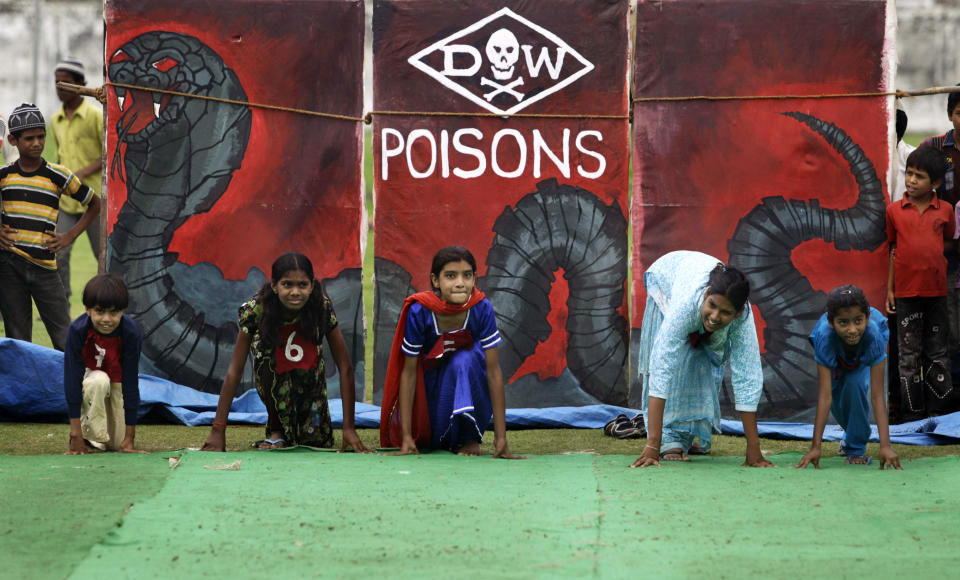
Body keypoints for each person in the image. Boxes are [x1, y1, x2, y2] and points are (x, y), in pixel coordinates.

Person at [201, 253, 369, 452]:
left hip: (309, 379)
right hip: (273, 374)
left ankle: (308, 424)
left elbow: (345, 367)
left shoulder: (321, 307)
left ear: (312, 285)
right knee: (267, 359)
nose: (295, 292)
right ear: (274, 286)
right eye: (287, 284)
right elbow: (234, 371)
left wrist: (349, 429)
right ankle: (276, 428)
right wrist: (218, 430)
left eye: (302, 285)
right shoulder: (257, 309)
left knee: (315, 442)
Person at [380, 246, 526, 459]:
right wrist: (407, 436)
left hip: (470, 387)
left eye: (467, 275)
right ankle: (435, 435)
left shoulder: (481, 308)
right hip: (431, 396)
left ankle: (469, 437)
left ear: (475, 278)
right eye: (450, 276)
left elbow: (493, 372)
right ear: (435, 280)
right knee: (433, 436)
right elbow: (409, 372)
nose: (460, 283)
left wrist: (501, 438)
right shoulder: (420, 311)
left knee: (465, 358)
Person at [630, 250, 772, 468]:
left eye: (725, 312)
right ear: (706, 295)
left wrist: (754, 449)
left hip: (692, 281)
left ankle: (688, 433)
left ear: (738, 312)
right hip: (669, 278)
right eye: (712, 306)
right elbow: (661, 366)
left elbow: (748, 374)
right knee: (679, 362)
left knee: (702, 359)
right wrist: (652, 446)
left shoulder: (743, 318)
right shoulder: (685, 307)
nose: (715, 317)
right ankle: (669, 439)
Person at [0, 103, 101, 350]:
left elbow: (95, 203)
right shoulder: (3, 176)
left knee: (63, 337)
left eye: (41, 136)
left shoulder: (58, 175)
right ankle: (23, 388)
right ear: (13, 140)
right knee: (18, 339)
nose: (36, 143)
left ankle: (69, 386)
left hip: (45, 268)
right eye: (29, 138)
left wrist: (69, 236)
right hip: (9, 268)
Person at [885, 146, 957, 422]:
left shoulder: (946, 211)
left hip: (937, 293)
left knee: (938, 351)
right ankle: (910, 414)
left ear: (936, 183)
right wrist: (890, 289)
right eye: (910, 174)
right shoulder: (894, 211)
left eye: (920, 176)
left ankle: (939, 411)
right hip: (905, 294)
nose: (912, 180)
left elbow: (948, 242)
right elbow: (892, 250)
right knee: (908, 354)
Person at [795, 285, 901, 469]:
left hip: (859, 360)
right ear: (831, 322)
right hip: (836, 361)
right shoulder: (824, 337)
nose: (852, 330)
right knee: (836, 400)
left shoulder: (874, 335)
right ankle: (850, 437)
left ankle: (855, 448)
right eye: (843, 323)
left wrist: (885, 446)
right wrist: (815, 447)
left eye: (858, 321)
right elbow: (825, 396)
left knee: (855, 385)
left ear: (867, 318)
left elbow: (877, 397)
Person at [63, 273, 145, 454]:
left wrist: (129, 438)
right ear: (88, 309)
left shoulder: (130, 333)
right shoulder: (78, 331)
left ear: (123, 311)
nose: (107, 319)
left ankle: (104, 437)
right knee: (98, 381)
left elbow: (131, 383)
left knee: (116, 445)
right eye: (100, 311)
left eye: (114, 312)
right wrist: (75, 433)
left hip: (116, 384)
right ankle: (85, 438)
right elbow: (72, 381)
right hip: (90, 383)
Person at [50, 58, 105, 300]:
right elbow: (60, 154)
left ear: (82, 84)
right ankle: (61, 301)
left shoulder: (95, 116)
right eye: (57, 83)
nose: (60, 87)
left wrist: (83, 172)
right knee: (58, 250)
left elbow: (109, 153)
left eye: (67, 83)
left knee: (102, 254)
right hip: (66, 200)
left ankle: (106, 301)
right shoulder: (55, 120)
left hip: (94, 199)